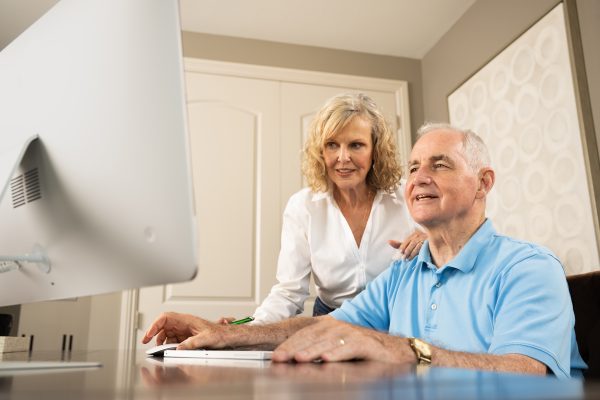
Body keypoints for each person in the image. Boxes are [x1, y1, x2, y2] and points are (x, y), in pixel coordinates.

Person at [143, 123, 586, 378]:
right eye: (414, 168)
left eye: (440, 164)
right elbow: (319, 327)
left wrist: (402, 349)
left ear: (484, 183)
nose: (419, 177)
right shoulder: (403, 275)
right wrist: (225, 336)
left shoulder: (529, 268)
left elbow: (528, 373)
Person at [222, 93, 424, 324]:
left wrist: (432, 243)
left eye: (356, 145)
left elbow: (451, 253)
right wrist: (245, 329)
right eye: (332, 145)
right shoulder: (303, 207)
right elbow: (288, 293)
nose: (343, 157)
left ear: (375, 150)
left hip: (399, 318)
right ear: (320, 151)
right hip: (331, 321)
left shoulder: (409, 195)